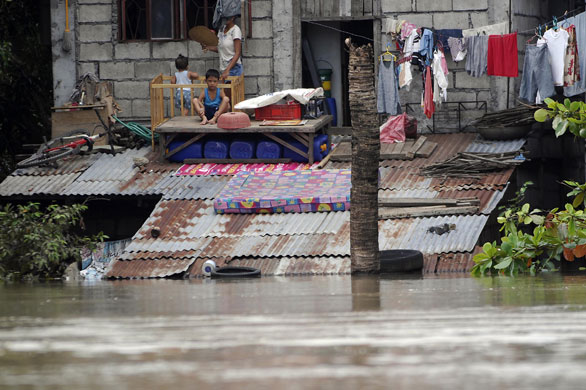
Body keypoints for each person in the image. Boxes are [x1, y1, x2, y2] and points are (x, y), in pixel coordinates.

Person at [201, 16, 243, 80]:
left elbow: (238, 53)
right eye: (224, 17)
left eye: (227, 17)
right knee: (225, 89)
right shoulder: (221, 29)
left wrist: (227, 70)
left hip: (234, 68)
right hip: (223, 67)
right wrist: (207, 47)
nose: (225, 19)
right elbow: (220, 48)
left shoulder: (235, 30)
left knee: (230, 89)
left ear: (232, 17)